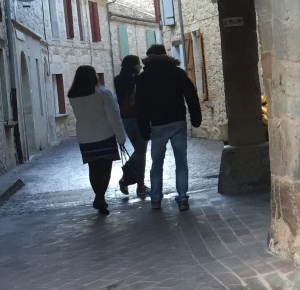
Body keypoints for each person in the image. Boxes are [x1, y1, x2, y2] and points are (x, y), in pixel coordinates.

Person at [136, 44, 202, 211]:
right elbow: (191, 95)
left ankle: (156, 198)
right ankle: (182, 198)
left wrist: (143, 128)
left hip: (157, 124)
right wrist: (196, 118)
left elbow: (140, 106)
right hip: (177, 121)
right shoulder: (177, 73)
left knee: (157, 163)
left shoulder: (144, 78)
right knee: (181, 161)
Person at [67, 65, 127, 215]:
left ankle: (98, 197)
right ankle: (100, 198)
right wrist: (121, 137)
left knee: (93, 169)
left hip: (85, 137)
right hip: (104, 135)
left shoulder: (73, 95)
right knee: (105, 170)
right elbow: (114, 117)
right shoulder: (103, 93)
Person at [114, 55, 148, 198]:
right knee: (141, 152)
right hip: (140, 118)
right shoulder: (138, 79)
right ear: (133, 65)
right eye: (138, 64)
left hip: (126, 119)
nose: (140, 66)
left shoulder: (117, 80)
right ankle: (138, 185)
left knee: (139, 151)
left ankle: (132, 181)